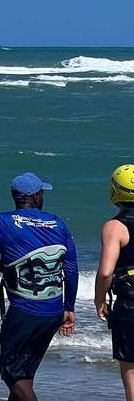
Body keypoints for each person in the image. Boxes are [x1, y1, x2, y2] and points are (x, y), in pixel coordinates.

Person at [0, 173, 77, 401]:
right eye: (42, 192)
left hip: (25, 314)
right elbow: (71, 270)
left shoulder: (3, 222)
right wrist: (69, 308)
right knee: (24, 375)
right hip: (53, 313)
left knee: (11, 374)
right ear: (36, 197)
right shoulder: (58, 223)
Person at [95, 164, 134, 401]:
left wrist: (100, 301)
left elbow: (105, 272)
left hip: (130, 306)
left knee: (132, 376)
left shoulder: (115, 227)